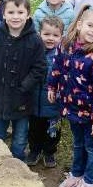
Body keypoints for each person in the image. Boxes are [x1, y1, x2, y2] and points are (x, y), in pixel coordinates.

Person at [49, 7, 93, 187]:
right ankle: (77, 173)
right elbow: (57, 66)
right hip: (71, 106)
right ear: (79, 25)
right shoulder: (66, 45)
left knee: (92, 147)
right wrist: (52, 87)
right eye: (90, 25)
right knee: (78, 144)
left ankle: (91, 180)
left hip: (91, 114)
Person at [0, 0, 47, 160]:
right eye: (11, 12)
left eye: (20, 12)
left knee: (19, 138)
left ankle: (17, 164)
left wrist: (25, 86)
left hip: (23, 99)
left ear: (28, 14)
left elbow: (39, 67)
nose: (15, 17)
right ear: (3, 14)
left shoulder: (35, 40)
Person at [26, 16, 65, 169]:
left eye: (55, 35)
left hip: (53, 103)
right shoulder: (34, 52)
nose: (51, 38)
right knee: (34, 129)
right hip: (34, 101)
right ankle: (34, 151)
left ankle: (49, 152)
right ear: (39, 33)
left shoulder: (62, 56)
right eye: (47, 34)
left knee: (52, 131)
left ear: (61, 36)